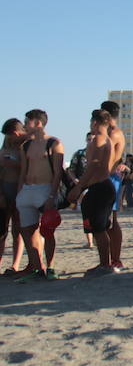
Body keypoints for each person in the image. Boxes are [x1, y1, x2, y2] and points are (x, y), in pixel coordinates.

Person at [15, 109, 65, 281]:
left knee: (48, 230)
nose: (24, 125)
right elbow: (23, 171)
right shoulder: (26, 145)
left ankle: (50, 266)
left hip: (45, 189)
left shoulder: (54, 143)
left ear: (37, 123)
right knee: (27, 231)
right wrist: (20, 192)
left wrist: (52, 195)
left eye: (27, 121)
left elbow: (58, 172)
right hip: (28, 189)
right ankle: (37, 267)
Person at [67, 110, 115, 277]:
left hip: (100, 187)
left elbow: (92, 167)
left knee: (99, 228)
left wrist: (78, 188)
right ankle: (105, 263)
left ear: (94, 123)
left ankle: (105, 264)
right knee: (99, 227)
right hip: (102, 186)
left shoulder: (99, 141)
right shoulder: (107, 140)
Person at [100, 101, 125, 272]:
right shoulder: (111, 132)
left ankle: (115, 258)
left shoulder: (113, 133)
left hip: (110, 178)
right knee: (107, 221)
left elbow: (110, 161)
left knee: (111, 220)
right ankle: (112, 258)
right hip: (108, 177)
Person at [1, 119, 27, 275]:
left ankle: (15, 265)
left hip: (20, 193)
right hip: (5, 193)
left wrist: (15, 165)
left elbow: (28, 169)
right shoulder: (3, 150)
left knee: (18, 232)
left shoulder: (25, 148)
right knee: (2, 232)